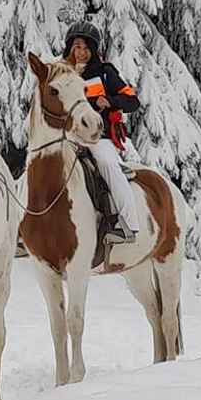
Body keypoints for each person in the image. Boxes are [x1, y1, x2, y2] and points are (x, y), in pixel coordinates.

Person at [63, 20, 142, 243]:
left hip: (98, 136)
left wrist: (110, 101)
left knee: (107, 164)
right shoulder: (63, 73)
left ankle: (128, 225)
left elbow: (132, 100)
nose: (81, 52)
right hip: (68, 135)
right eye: (77, 47)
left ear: (94, 50)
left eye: (86, 48)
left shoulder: (105, 73)